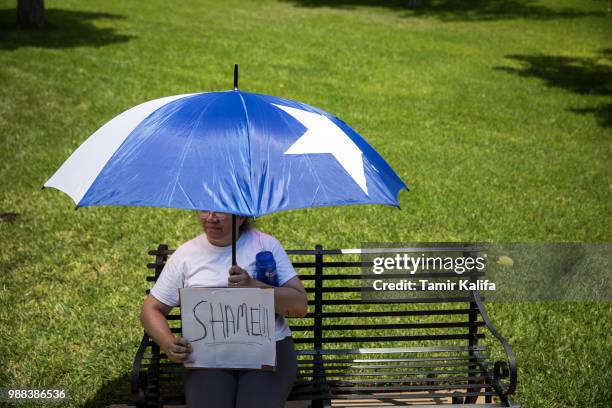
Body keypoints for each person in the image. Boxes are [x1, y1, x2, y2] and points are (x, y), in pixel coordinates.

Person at [140, 211, 308, 408]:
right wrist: (168, 343)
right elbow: (150, 310)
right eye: (204, 210)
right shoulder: (186, 255)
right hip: (206, 356)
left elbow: (299, 305)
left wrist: (254, 285)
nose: (211, 218)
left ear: (242, 216)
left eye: (220, 211)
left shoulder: (266, 246)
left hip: (269, 352)